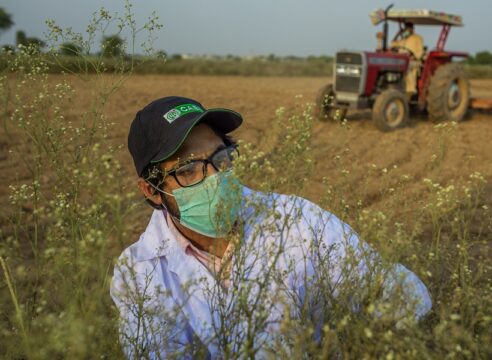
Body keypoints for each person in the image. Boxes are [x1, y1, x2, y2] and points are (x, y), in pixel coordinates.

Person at [110, 96, 432, 358]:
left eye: (221, 159)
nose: (215, 179)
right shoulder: (139, 273)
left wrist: (366, 339)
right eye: (189, 170)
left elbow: (403, 293)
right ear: (152, 190)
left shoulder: (298, 220)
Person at [391, 22, 424, 95]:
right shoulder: (403, 39)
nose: (407, 30)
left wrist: (413, 56)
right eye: (405, 28)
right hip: (400, 60)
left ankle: (410, 90)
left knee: (408, 67)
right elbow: (392, 44)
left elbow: (420, 52)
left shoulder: (418, 38)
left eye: (408, 28)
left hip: (413, 61)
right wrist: (398, 34)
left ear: (412, 29)